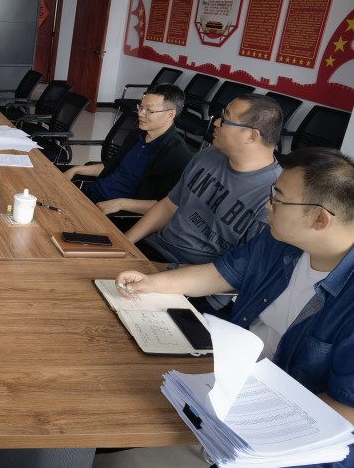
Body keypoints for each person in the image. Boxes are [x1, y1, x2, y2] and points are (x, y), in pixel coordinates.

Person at [115, 147, 354, 468]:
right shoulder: (280, 241)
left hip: (284, 439)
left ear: (320, 219)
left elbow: (345, 410)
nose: (268, 205)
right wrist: (150, 283)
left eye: (278, 198)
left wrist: (253, 424)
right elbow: (220, 274)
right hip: (229, 384)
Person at [125, 93, 282, 269]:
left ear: (251, 136)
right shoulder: (209, 154)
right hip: (154, 249)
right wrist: (124, 244)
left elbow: (236, 271)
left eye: (225, 120)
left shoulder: (275, 196)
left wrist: (158, 270)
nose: (216, 123)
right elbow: (169, 205)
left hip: (192, 276)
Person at [63, 84, 192, 217]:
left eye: (149, 110)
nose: (140, 114)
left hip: (114, 213)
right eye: (141, 107)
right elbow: (112, 166)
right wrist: (76, 170)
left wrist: (121, 204)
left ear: (170, 114)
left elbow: (165, 206)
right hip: (90, 194)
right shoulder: (137, 135)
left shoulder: (177, 155)